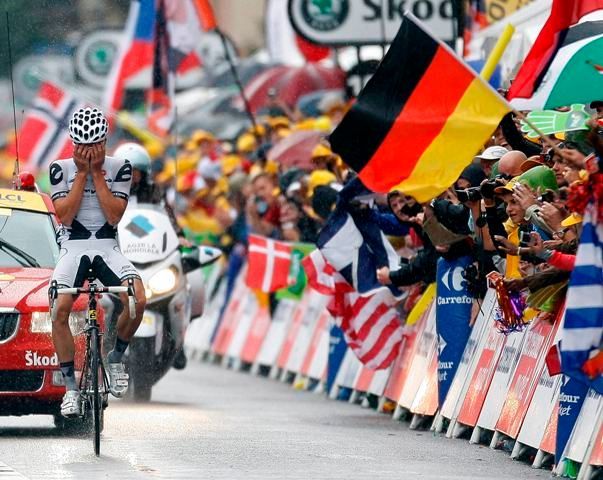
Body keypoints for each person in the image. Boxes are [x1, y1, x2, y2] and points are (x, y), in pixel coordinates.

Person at [48, 108, 146, 417]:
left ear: (104, 141)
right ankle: (71, 389)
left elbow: (114, 215)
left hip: (107, 249)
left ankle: (115, 358)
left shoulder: (121, 168)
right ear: (73, 143)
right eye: (82, 146)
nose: (89, 152)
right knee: (59, 309)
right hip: (73, 250)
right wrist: (80, 174)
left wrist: (97, 173)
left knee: (137, 300)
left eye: (96, 145)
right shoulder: (59, 169)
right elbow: (64, 216)